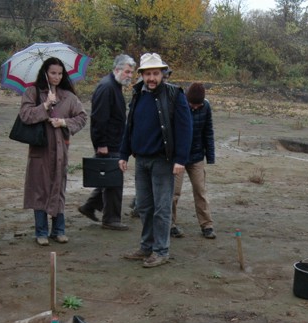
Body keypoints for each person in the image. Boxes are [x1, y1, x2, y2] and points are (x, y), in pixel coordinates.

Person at [118, 53, 192, 268]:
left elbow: (185, 129)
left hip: (163, 160)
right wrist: (123, 154)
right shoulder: (138, 94)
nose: (152, 78)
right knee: (144, 207)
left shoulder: (174, 94)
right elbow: (129, 126)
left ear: (163, 74)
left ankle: (161, 250)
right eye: (148, 73)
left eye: (156, 73)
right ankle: (146, 247)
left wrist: (181, 159)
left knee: (161, 208)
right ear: (141, 75)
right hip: (141, 160)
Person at [20, 57, 88, 246]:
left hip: (60, 151)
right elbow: (25, 115)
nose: (56, 77)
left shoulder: (68, 96)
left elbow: (82, 117)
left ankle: (59, 230)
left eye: (60, 73)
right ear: (45, 73)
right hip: (40, 150)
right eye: (52, 73)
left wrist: (64, 122)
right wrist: (45, 106)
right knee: (39, 189)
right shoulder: (32, 93)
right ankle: (40, 231)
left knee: (58, 187)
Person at [79, 54, 135, 230]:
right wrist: (101, 144)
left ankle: (89, 207)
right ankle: (111, 219)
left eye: (131, 73)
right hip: (109, 143)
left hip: (115, 141)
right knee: (114, 182)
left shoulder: (113, 85)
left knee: (109, 178)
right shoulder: (107, 87)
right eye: (127, 72)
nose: (130, 76)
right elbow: (99, 119)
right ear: (117, 70)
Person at [171, 82, 216, 240]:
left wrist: (210, 156)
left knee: (200, 190)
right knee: (174, 193)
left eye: (199, 105)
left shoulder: (206, 107)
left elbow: (208, 131)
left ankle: (207, 225)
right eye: (192, 105)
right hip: (178, 158)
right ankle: (170, 224)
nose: (196, 108)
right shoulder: (178, 105)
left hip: (197, 157)